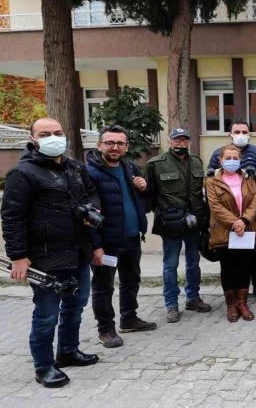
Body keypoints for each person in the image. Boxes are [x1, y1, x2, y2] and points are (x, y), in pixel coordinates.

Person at [1, 117, 101, 388]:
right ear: (32, 139)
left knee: (76, 305)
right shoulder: (22, 174)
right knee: (47, 314)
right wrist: (18, 256)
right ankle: (44, 367)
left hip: (78, 251)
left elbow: (92, 195)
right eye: (45, 134)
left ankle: (67, 351)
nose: (53, 138)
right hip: (45, 257)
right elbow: (12, 217)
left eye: (58, 132)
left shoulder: (75, 168)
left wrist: (93, 224)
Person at [86, 125, 155, 349]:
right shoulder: (89, 173)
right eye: (110, 143)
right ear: (99, 145)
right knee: (103, 286)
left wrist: (144, 187)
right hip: (107, 242)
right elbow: (87, 213)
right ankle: (106, 329)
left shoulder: (130, 168)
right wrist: (95, 246)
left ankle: (129, 319)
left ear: (126, 146)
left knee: (131, 280)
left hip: (132, 237)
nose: (115, 147)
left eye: (120, 143)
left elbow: (146, 201)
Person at [145, 128, 211, 323]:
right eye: (177, 140)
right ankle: (171, 304)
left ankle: (193, 298)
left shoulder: (197, 161)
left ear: (188, 142)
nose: (181, 144)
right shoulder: (155, 164)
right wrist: (164, 213)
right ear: (169, 141)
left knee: (194, 262)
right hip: (171, 222)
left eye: (184, 140)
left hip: (194, 220)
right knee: (170, 264)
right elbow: (150, 195)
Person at [206, 120, 256, 302]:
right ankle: (235, 296)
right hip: (227, 216)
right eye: (237, 131)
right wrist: (234, 221)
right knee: (231, 258)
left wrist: (249, 216)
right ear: (230, 134)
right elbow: (211, 176)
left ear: (250, 134)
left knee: (254, 253)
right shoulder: (218, 153)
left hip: (252, 211)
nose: (241, 135)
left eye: (244, 131)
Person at [206, 145, 256, 322]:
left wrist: (244, 221)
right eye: (227, 158)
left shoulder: (248, 178)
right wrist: (235, 222)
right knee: (228, 268)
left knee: (244, 267)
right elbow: (215, 206)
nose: (232, 161)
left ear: (240, 160)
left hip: (246, 230)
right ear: (220, 160)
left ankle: (242, 303)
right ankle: (230, 305)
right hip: (224, 231)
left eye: (235, 158)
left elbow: (254, 201)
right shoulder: (211, 181)